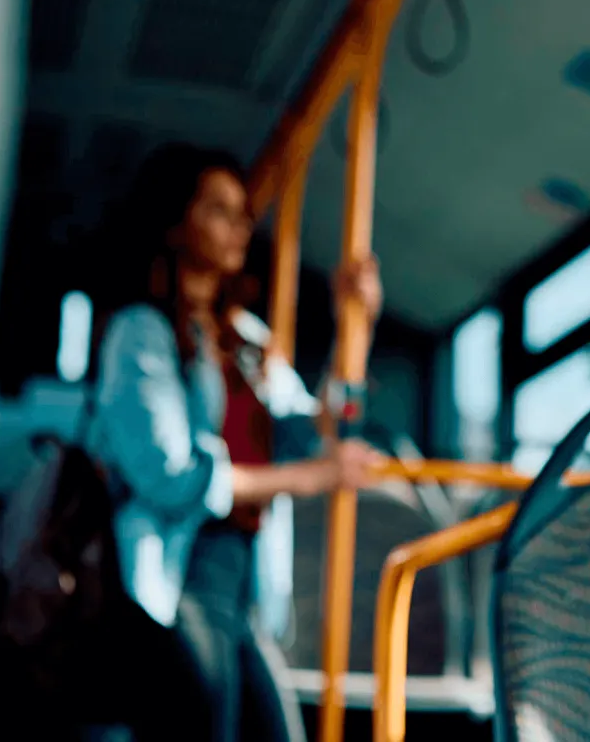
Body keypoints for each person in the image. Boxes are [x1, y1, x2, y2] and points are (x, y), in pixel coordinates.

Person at [87, 142, 388, 742]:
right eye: (219, 209)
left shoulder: (246, 339)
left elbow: (315, 428)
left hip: (247, 574)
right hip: (180, 570)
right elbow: (168, 476)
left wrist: (358, 323)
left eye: (242, 213)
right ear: (176, 224)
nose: (239, 225)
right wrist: (309, 479)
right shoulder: (140, 333)